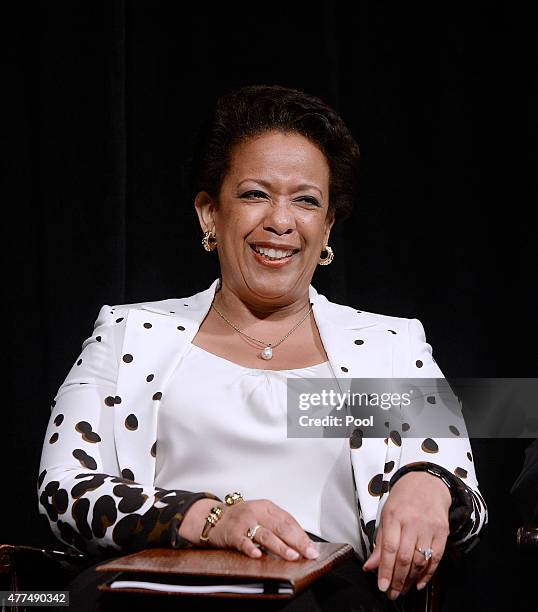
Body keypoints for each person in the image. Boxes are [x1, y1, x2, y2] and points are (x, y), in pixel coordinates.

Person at [37, 84, 488, 611]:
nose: (280, 220)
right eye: (255, 194)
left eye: (306, 200)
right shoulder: (130, 333)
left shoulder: (384, 346)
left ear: (326, 228)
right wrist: (213, 518)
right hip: (158, 590)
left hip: (323, 596)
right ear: (210, 213)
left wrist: (429, 482)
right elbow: (63, 492)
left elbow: (467, 502)